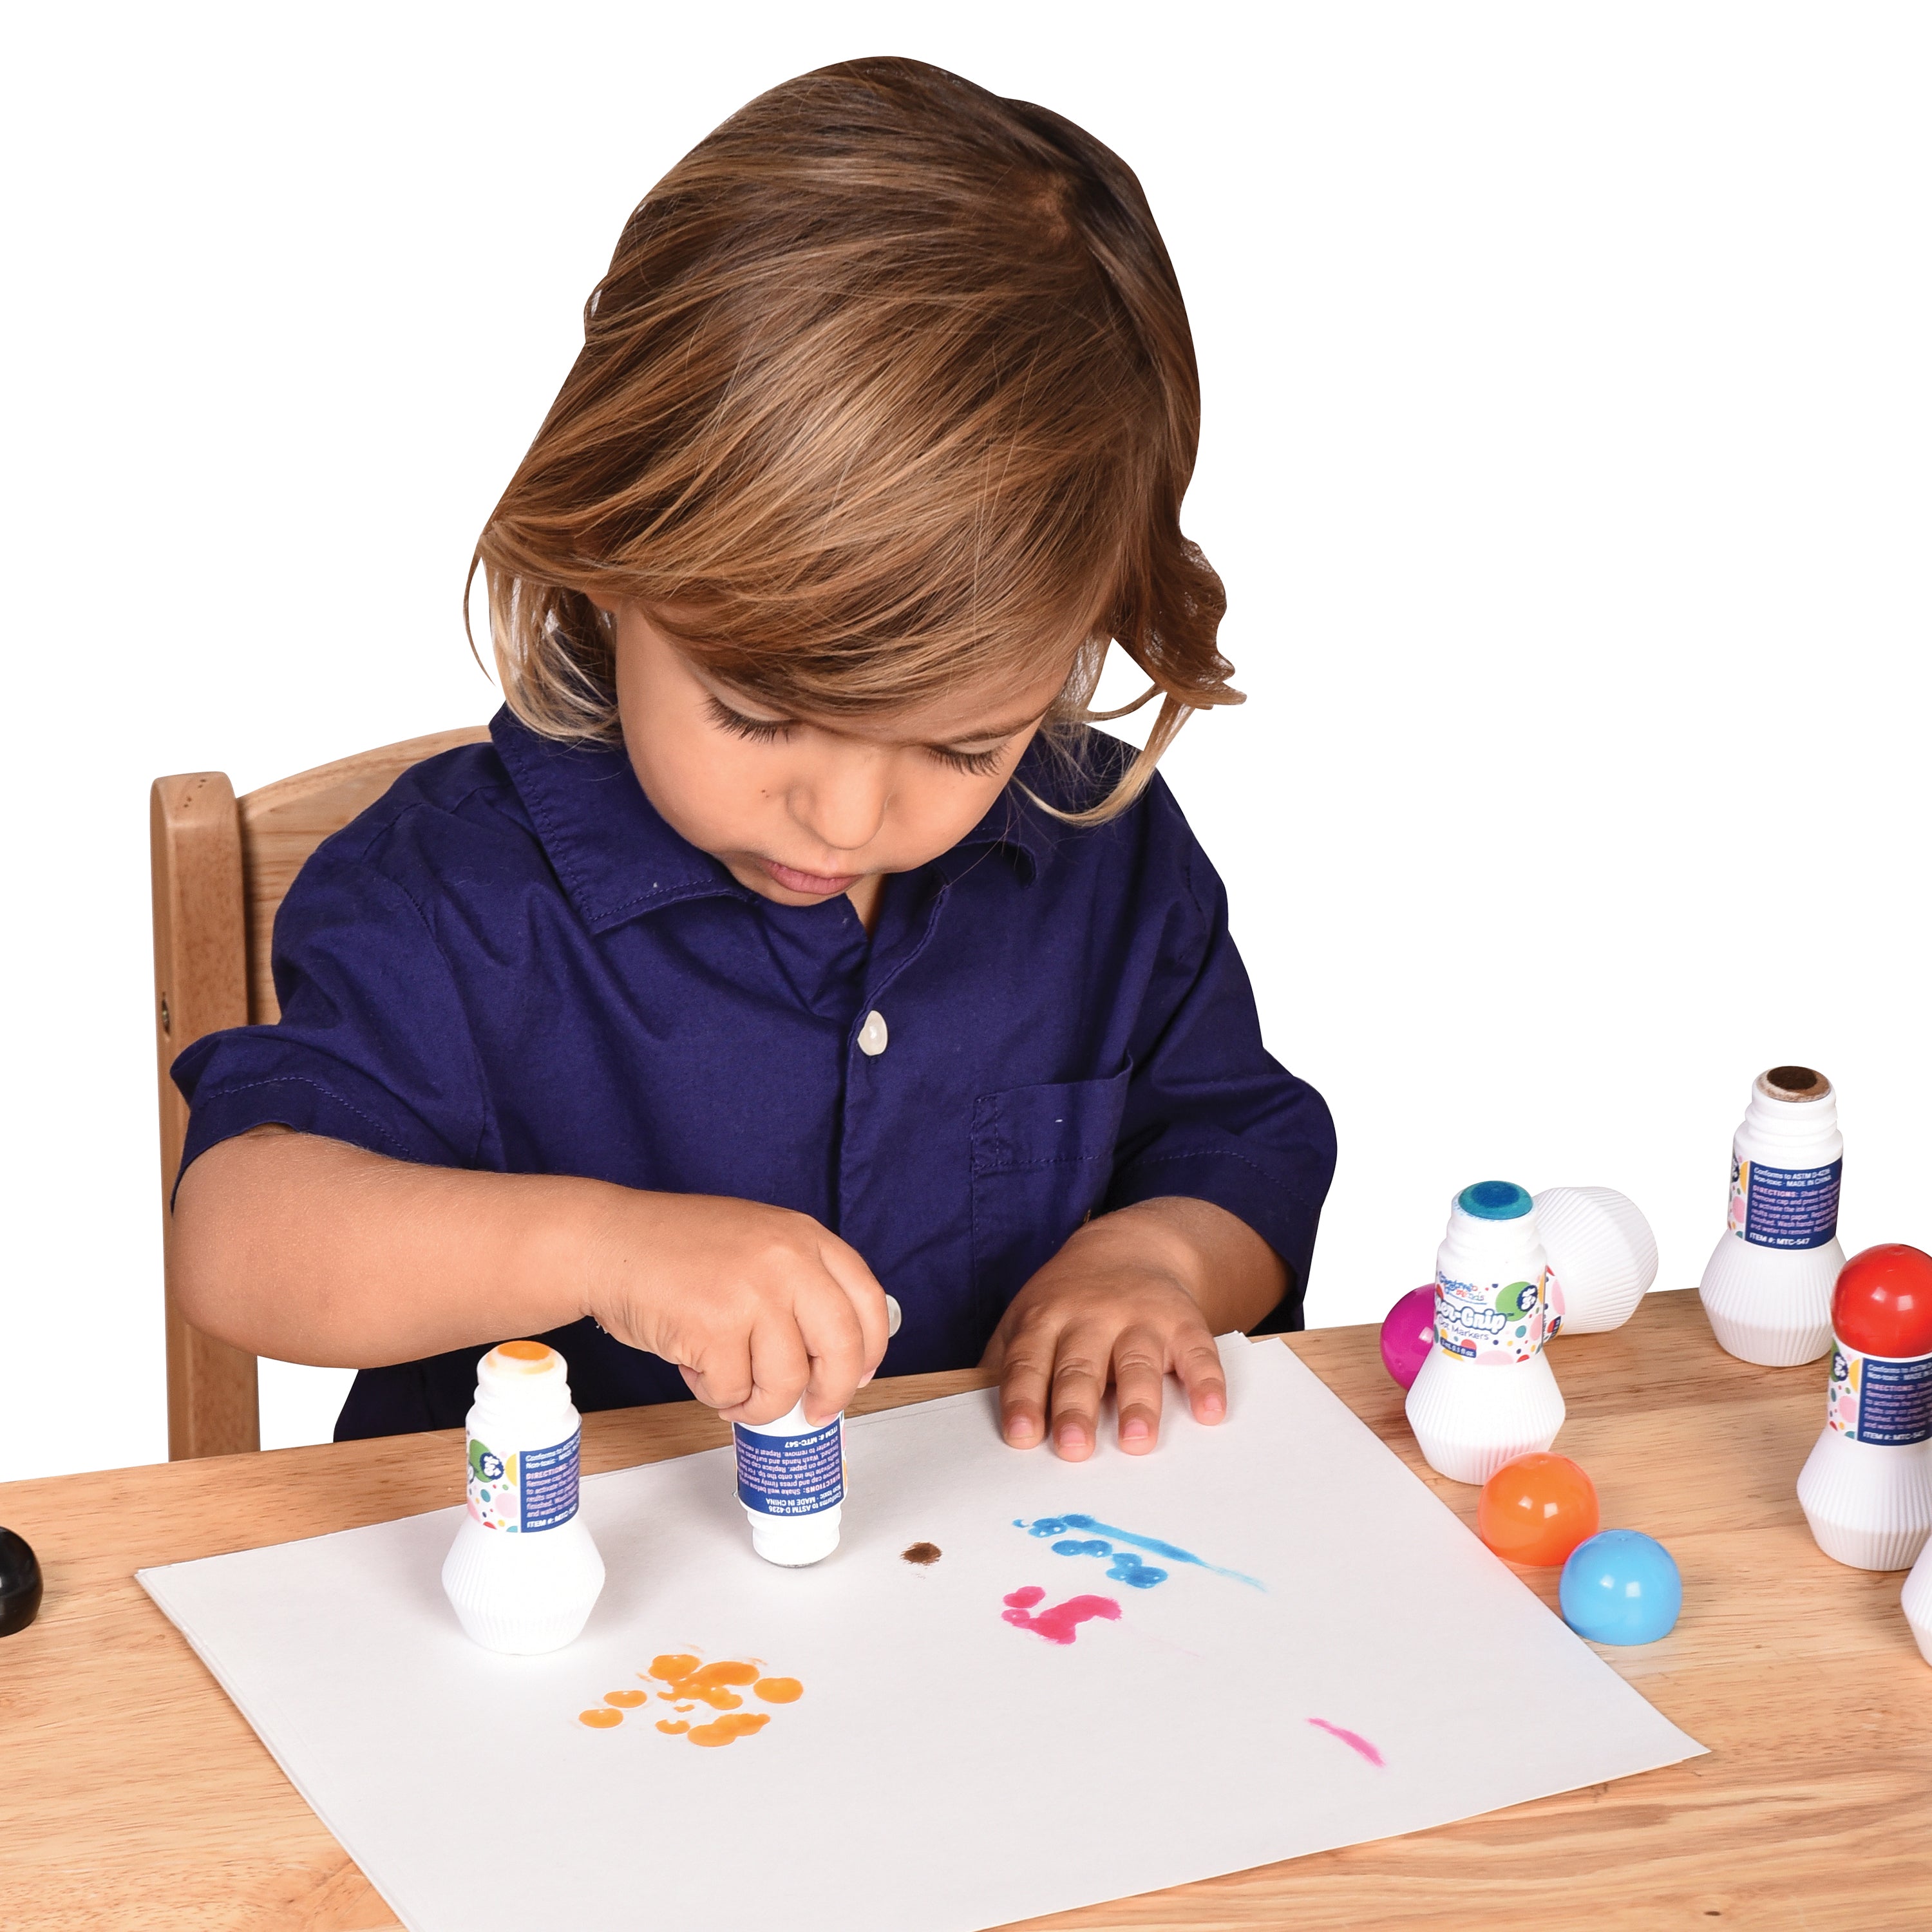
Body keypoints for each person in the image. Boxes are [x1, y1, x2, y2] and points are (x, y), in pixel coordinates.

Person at [169, 56, 1336, 1461]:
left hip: (997, 1607)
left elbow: (1242, 1143)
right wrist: (604, 1249)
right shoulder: (454, 892)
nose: (847, 815)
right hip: (547, 1634)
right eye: (759, 713)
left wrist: (1158, 1264)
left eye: (962, 745)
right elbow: (241, 1240)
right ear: (606, 562)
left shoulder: (1103, 848)